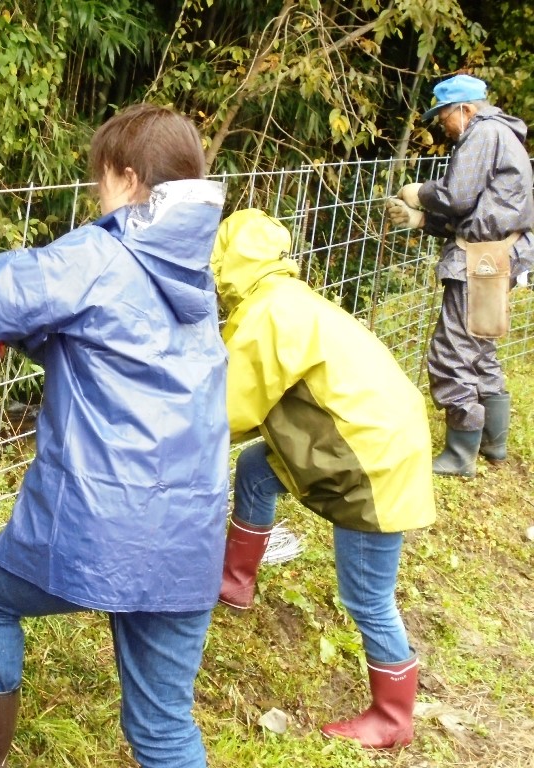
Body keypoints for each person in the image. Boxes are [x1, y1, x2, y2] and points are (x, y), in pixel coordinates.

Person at [0, 103, 229, 768]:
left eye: (100, 180)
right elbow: (122, 347)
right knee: (162, 724)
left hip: (99, 530)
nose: (98, 196)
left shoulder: (103, 250)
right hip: (189, 536)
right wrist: (35, 334)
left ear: (126, 177)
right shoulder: (196, 276)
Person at [209, 209, 437, 749]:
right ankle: (235, 582)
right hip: (377, 435)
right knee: (257, 469)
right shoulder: (289, 298)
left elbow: (227, 409)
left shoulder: (266, 315)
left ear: (226, 261)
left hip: (369, 461)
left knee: (367, 598)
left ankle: (392, 717)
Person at [385, 73, 534, 476]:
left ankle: (459, 454)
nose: (443, 127)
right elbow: (478, 211)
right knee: (480, 344)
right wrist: (422, 221)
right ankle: (493, 443)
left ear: (464, 110)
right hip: (497, 252)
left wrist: (421, 193)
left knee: (451, 352)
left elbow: (457, 197)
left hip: (482, 259)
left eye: (444, 117)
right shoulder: (505, 134)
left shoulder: (482, 135)